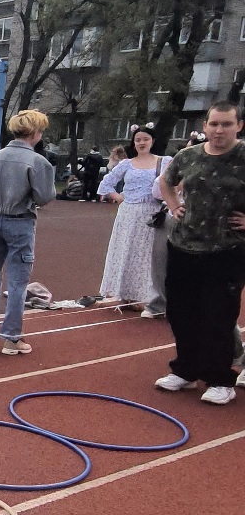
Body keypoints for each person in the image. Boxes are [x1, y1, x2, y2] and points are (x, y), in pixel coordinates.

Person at [154, 100, 245, 406]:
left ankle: (220, 379)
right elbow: (166, 181)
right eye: (214, 124)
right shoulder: (188, 155)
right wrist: (173, 205)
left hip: (226, 248)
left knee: (218, 315)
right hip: (183, 246)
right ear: (205, 126)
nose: (219, 130)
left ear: (239, 126)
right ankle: (186, 369)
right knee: (181, 312)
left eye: (226, 124)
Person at [0, 109, 56, 357]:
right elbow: (44, 196)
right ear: (35, 133)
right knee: (18, 281)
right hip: (19, 221)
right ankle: (12, 337)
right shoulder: (37, 161)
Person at [96, 126, 164, 307]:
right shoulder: (127, 164)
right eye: (138, 140)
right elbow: (105, 184)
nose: (142, 143)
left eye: (145, 139)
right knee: (125, 251)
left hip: (151, 213)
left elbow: (173, 185)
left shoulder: (163, 162)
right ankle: (123, 292)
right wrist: (119, 198)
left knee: (146, 254)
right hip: (128, 214)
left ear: (152, 141)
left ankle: (143, 295)